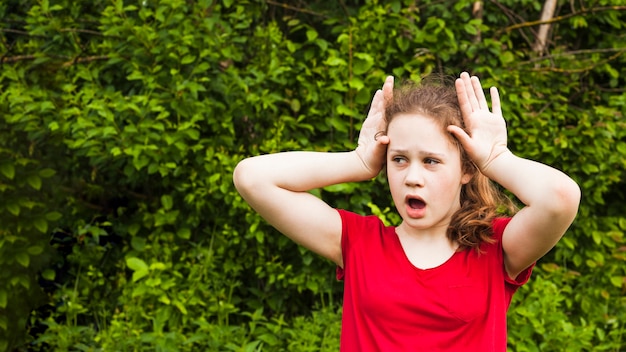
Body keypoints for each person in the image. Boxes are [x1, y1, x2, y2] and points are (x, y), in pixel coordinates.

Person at [233, 72, 580, 351]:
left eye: (431, 161)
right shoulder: (357, 243)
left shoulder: (495, 248)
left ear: (466, 169)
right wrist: (355, 161)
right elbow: (252, 177)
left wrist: (495, 159)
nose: (412, 177)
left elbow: (560, 198)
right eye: (399, 159)